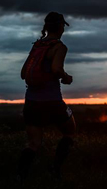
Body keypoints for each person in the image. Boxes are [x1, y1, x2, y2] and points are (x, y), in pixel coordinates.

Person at [17, 12, 76, 182]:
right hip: (52, 102)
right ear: (60, 27)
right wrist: (66, 77)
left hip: (31, 102)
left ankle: (20, 177)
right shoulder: (59, 47)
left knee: (33, 143)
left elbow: (22, 73)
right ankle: (55, 170)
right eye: (63, 26)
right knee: (70, 132)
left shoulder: (37, 46)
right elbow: (57, 69)